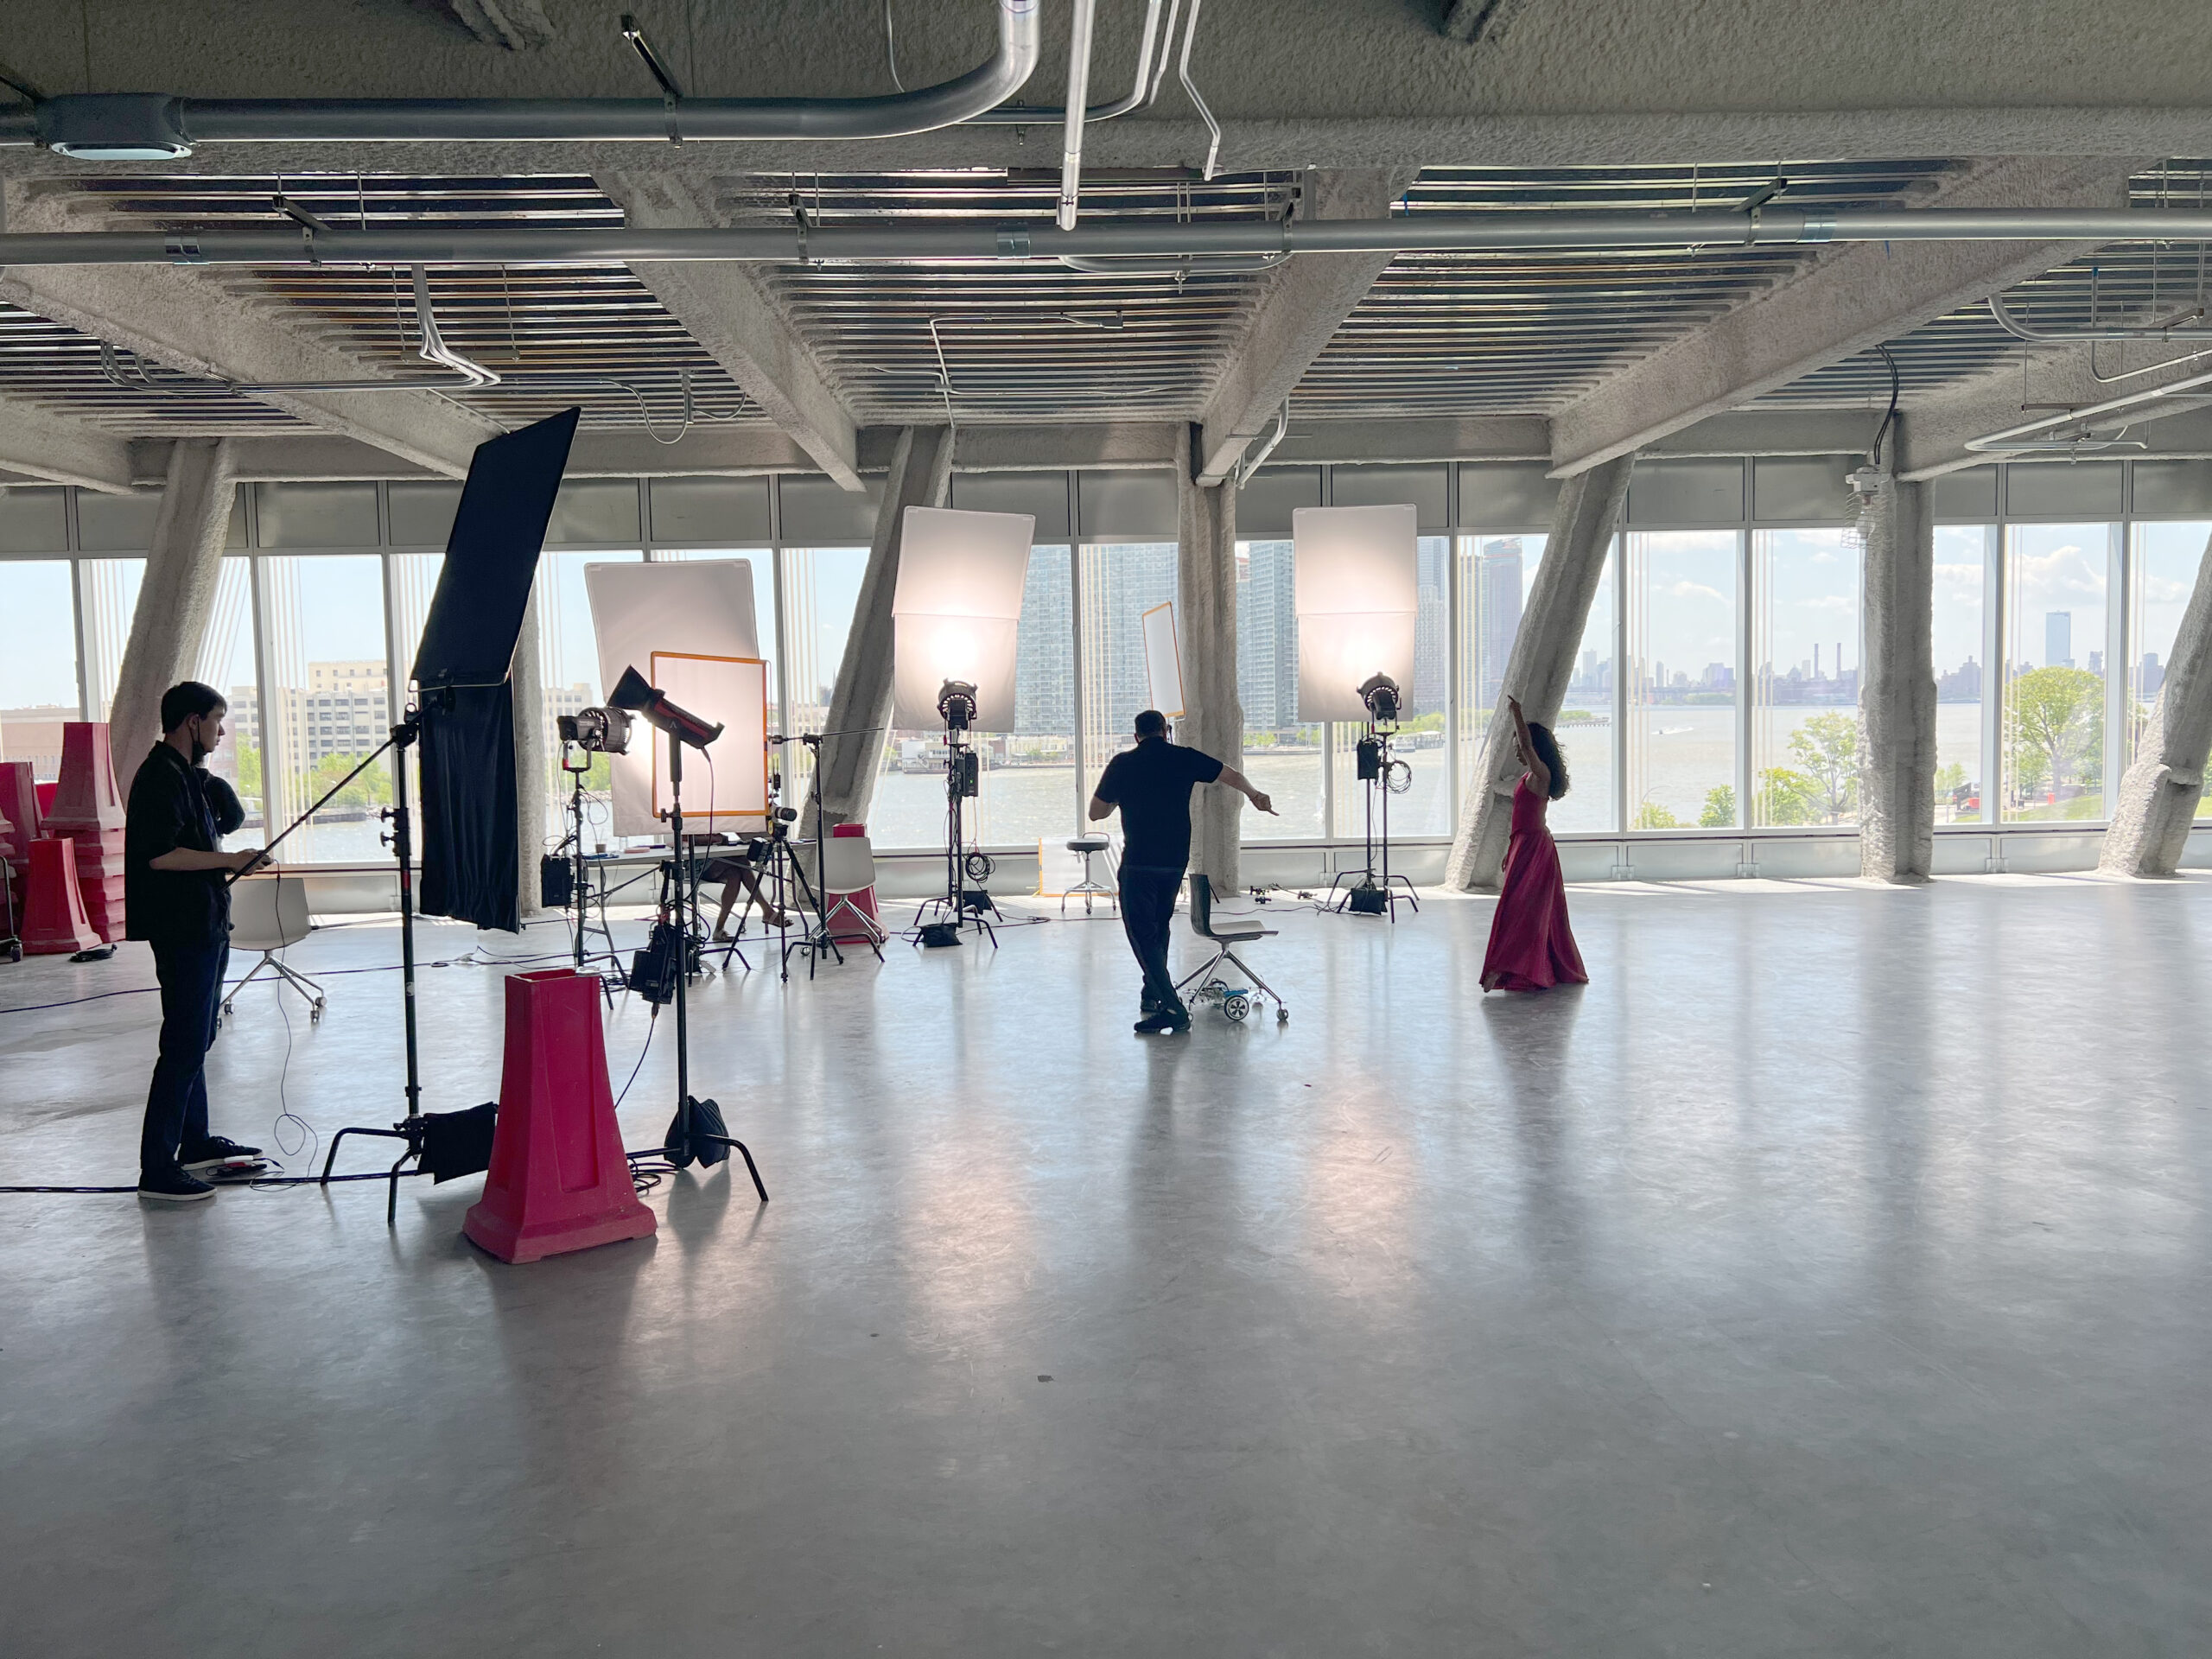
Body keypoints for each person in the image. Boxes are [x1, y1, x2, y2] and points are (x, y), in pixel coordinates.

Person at [124, 682, 272, 1201]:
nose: (221, 730)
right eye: (216, 720)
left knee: (199, 1037)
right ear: (192, 722)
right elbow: (159, 855)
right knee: (183, 1044)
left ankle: (195, 1142)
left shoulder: (187, 776)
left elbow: (213, 832)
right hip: (181, 929)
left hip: (206, 924)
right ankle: (157, 1168)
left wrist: (231, 855)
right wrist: (230, 861)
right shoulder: (158, 777)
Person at [1089, 710, 1276, 1034]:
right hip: (1174, 860)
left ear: (1136, 736)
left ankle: (1173, 1008)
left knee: (1141, 934)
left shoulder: (1122, 764)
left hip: (1139, 862)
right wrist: (1254, 795)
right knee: (1160, 927)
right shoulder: (1183, 757)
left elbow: (1096, 813)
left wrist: (1119, 799)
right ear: (1166, 731)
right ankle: (1152, 996)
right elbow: (1228, 774)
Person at [1480, 696, 1588, 994]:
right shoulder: (1529, 776)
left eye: (1519, 746)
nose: (1517, 750)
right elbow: (1519, 819)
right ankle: (1510, 968)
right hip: (1523, 846)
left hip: (1536, 850)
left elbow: (1528, 747)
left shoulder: (1541, 775)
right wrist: (1508, 851)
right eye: (1516, 746)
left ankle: (1502, 969)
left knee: (1521, 910)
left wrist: (1517, 713)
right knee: (1519, 909)